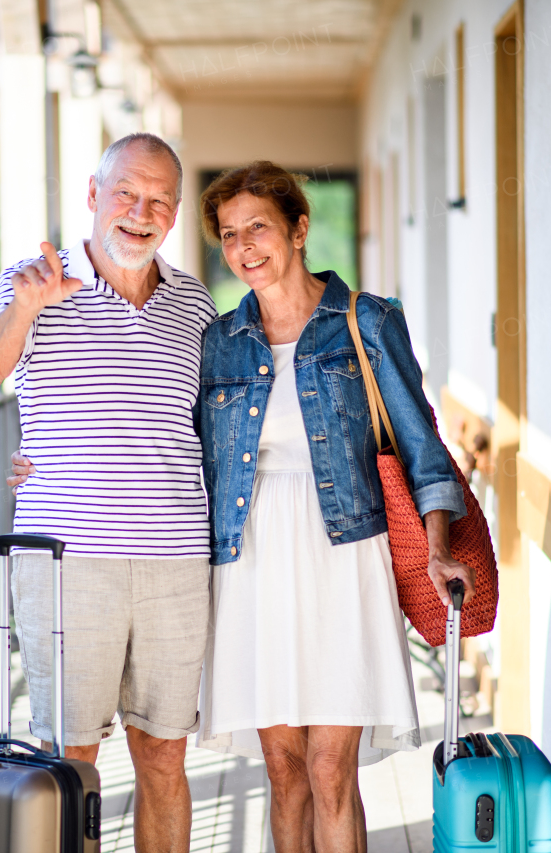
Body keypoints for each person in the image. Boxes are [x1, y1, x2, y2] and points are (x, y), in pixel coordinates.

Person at [194, 161, 475, 853]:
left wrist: (439, 546)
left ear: (298, 227)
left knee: (329, 767)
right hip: (250, 560)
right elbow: (181, 453)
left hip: (343, 555)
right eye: (229, 234)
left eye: (258, 226)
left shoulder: (367, 322)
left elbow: (421, 444)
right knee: (285, 772)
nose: (244, 247)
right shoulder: (218, 341)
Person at [0, 133, 217, 853]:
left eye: (159, 200)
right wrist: (25, 310)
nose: (140, 212)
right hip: (70, 563)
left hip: (175, 562)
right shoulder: (33, 279)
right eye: (126, 193)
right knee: (70, 764)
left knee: (165, 754)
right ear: (92, 195)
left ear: (173, 213)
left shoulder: (195, 304)